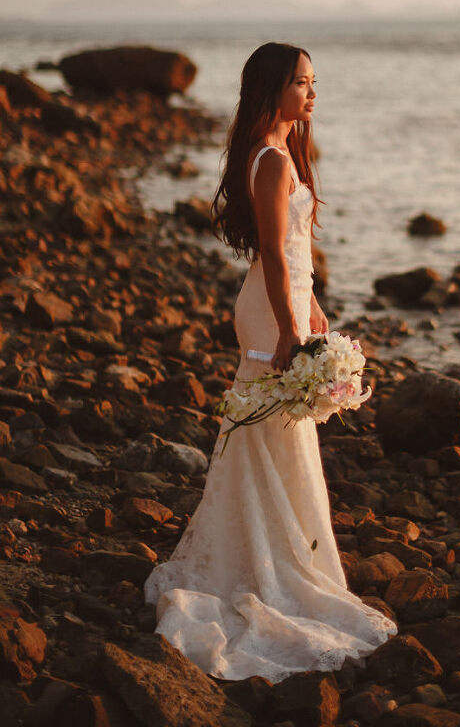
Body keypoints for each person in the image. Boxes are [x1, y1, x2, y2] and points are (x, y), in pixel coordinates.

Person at [143, 42, 396, 681]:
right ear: (273, 89)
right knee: (266, 426)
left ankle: (275, 550)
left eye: (314, 82)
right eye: (303, 83)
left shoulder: (282, 153)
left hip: (287, 302)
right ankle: (261, 565)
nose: (313, 93)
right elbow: (276, 257)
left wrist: (312, 312)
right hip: (268, 307)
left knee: (279, 431)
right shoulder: (269, 161)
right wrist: (288, 330)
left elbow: (296, 253)